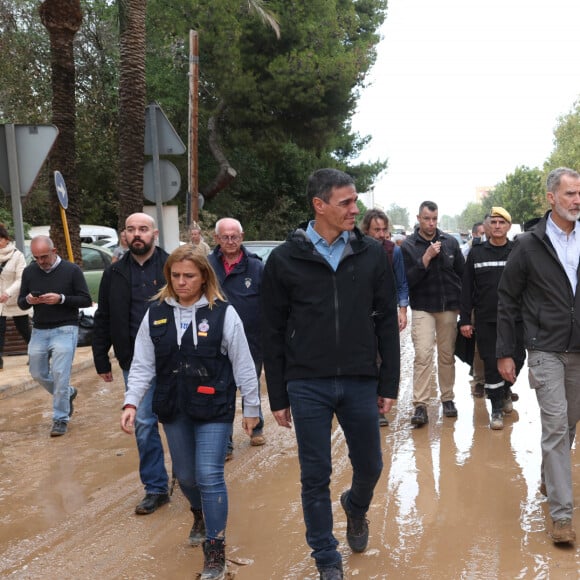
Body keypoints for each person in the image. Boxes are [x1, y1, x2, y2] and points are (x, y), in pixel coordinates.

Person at [262, 168, 400, 580]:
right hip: (307, 383)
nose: (354, 209)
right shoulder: (285, 259)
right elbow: (270, 329)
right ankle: (326, 557)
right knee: (314, 475)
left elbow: (386, 324)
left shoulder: (371, 253)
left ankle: (355, 507)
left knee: (371, 465)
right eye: (346, 203)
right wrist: (278, 395)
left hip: (360, 378)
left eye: (355, 201)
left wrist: (388, 382)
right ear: (318, 205)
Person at [121, 246, 259, 580]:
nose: (182, 282)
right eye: (176, 276)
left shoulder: (223, 313)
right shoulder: (155, 314)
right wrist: (131, 402)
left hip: (214, 406)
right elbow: (142, 364)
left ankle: (215, 553)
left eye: (189, 276)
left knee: (209, 474)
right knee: (185, 476)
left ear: (203, 277)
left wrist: (251, 407)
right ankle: (199, 513)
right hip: (173, 406)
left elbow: (243, 362)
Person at [497, 167, 580, 545]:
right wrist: (505, 352)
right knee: (557, 426)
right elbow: (508, 298)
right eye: (569, 194)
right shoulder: (529, 244)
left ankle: (551, 476)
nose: (576, 200)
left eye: (579, 193)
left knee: (571, 424)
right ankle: (562, 516)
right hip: (545, 348)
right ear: (551, 198)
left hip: (578, 349)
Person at [92, 213, 170, 515]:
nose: (137, 234)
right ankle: (156, 487)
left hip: (174, 358)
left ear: (154, 233)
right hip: (135, 361)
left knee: (178, 421)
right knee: (144, 422)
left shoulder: (172, 266)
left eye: (143, 229)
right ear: (124, 235)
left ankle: (188, 478)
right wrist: (101, 357)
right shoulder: (114, 273)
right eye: (131, 230)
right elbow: (104, 317)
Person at [17, 235, 91, 436]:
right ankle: (68, 393)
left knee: (60, 373)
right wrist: (30, 300)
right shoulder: (30, 271)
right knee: (37, 373)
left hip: (66, 328)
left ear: (54, 251)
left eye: (44, 256)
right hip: (39, 329)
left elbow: (86, 300)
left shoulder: (72, 270)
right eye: (36, 257)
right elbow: (21, 303)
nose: (41, 261)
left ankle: (60, 418)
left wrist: (61, 299)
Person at [459, 207, 524, 430]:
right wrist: (465, 319)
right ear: (488, 226)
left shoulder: (517, 251)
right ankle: (496, 407)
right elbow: (466, 288)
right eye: (493, 222)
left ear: (508, 226)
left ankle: (505, 390)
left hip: (515, 320)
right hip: (487, 320)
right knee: (490, 363)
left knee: (518, 357)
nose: (497, 226)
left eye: (501, 222)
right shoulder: (476, 253)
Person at [401, 201, 464, 426]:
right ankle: (420, 405)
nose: (431, 223)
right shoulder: (408, 245)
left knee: (446, 355)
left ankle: (447, 399)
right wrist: (425, 258)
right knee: (423, 355)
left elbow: (462, 275)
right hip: (422, 308)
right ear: (418, 218)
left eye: (434, 219)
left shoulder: (450, 242)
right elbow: (407, 281)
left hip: (448, 308)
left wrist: (463, 307)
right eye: (426, 218)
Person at [208, 217, 266, 450]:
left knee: (250, 382)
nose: (230, 241)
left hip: (252, 338)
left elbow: (269, 303)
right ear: (216, 239)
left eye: (234, 236)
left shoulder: (256, 267)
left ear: (242, 238)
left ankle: (257, 427)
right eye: (225, 237)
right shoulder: (206, 266)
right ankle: (226, 441)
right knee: (222, 389)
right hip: (214, 339)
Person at [360, 208, 409, 427]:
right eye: (376, 230)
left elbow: (401, 283)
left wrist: (402, 309)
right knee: (366, 359)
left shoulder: (393, 251)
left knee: (385, 360)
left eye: (384, 230)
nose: (381, 234)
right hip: (360, 315)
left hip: (385, 314)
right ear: (366, 230)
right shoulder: (356, 250)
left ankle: (379, 406)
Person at [0, 224, 31, 369]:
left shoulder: (17, 255)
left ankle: (36, 354)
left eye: (1, 238)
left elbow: (21, 278)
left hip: (14, 299)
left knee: (23, 328)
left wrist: (8, 293)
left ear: (6, 239)